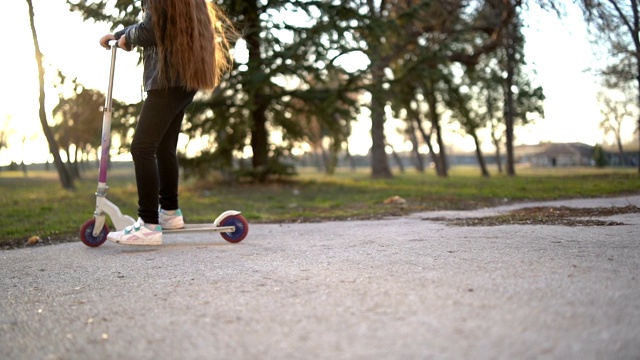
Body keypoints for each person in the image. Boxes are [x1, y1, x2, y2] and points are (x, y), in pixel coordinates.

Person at [99, 0, 234, 245]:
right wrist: (122, 35)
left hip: (167, 77)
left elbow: (151, 29)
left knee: (142, 148)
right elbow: (160, 23)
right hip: (182, 77)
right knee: (162, 147)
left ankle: (148, 225)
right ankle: (169, 213)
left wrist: (127, 37)